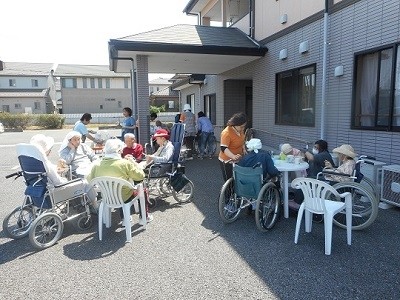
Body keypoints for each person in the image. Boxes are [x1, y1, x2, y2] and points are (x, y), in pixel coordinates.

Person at [87, 139, 152, 225]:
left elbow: (89, 180)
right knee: (142, 190)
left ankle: (125, 218)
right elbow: (141, 176)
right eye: (121, 149)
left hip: (107, 197)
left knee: (118, 189)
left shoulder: (97, 165)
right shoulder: (124, 164)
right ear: (118, 150)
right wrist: (133, 162)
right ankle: (144, 218)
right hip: (124, 196)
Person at [30, 134, 98, 210]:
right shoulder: (47, 162)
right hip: (56, 190)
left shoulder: (34, 161)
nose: (50, 151)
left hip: (38, 188)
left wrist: (58, 170)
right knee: (85, 183)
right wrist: (65, 179)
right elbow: (58, 182)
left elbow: (52, 171)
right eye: (49, 149)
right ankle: (95, 205)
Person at [218, 112, 247, 182]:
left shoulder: (240, 130)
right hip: (227, 160)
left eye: (244, 126)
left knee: (237, 179)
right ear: (235, 125)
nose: (243, 129)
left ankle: (235, 192)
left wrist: (244, 149)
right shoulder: (226, 133)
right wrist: (233, 156)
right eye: (241, 127)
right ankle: (228, 193)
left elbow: (241, 141)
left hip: (238, 159)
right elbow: (223, 148)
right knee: (229, 181)